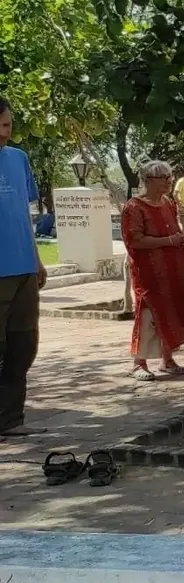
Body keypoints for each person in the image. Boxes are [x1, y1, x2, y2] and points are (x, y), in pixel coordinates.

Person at [120, 160, 184, 381]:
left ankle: (167, 359)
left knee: (171, 311)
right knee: (149, 313)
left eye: (170, 177)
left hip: (173, 268)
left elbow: (175, 230)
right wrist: (170, 240)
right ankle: (138, 363)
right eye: (163, 178)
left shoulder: (168, 203)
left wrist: (180, 240)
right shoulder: (134, 207)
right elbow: (135, 241)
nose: (169, 182)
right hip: (149, 271)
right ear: (148, 180)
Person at [0, 96, 45, 436]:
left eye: (9, 124)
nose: (6, 130)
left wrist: (37, 259)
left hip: (24, 269)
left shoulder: (18, 159)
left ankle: (12, 418)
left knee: (23, 344)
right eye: (2, 123)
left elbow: (25, 216)